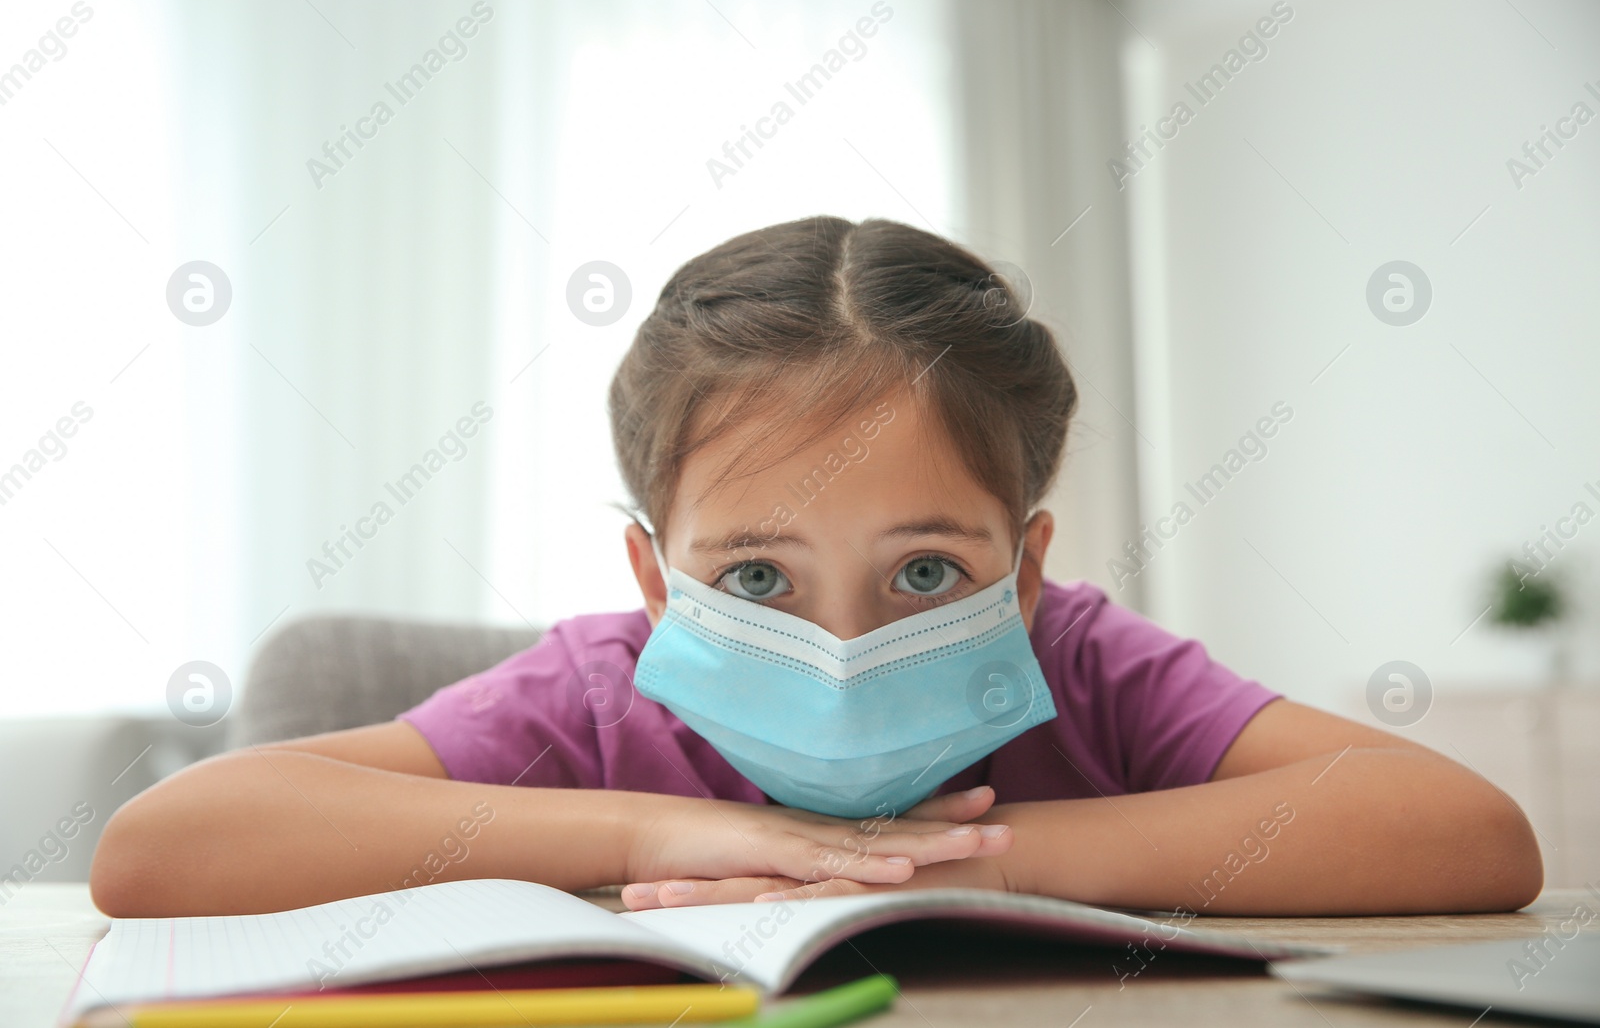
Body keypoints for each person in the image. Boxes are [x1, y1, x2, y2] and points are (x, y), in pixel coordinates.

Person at [90, 216, 1542, 917]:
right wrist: (659, 837)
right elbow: (161, 851)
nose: (844, 643)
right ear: (658, 586)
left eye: (922, 575)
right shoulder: (599, 705)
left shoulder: (1084, 667)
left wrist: (951, 872)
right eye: (759, 581)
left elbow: (1468, 834)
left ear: (1025, 573)